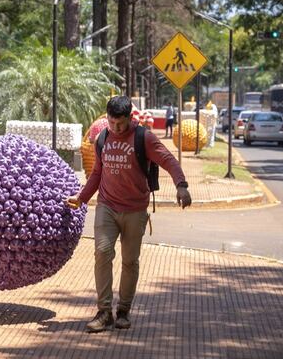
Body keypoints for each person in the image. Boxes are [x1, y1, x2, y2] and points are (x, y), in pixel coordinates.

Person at [67, 96, 192, 333]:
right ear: (107, 118)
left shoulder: (143, 137)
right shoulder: (103, 138)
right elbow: (96, 174)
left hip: (135, 209)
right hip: (107, 206)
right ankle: (104, 312)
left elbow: (167, 159)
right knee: (102, 252)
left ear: (130, 119)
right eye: (112, 123)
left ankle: (123, 310)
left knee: (130, 261)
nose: (116, 128)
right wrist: (81, 198)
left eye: (121, 124)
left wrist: (181, 185)